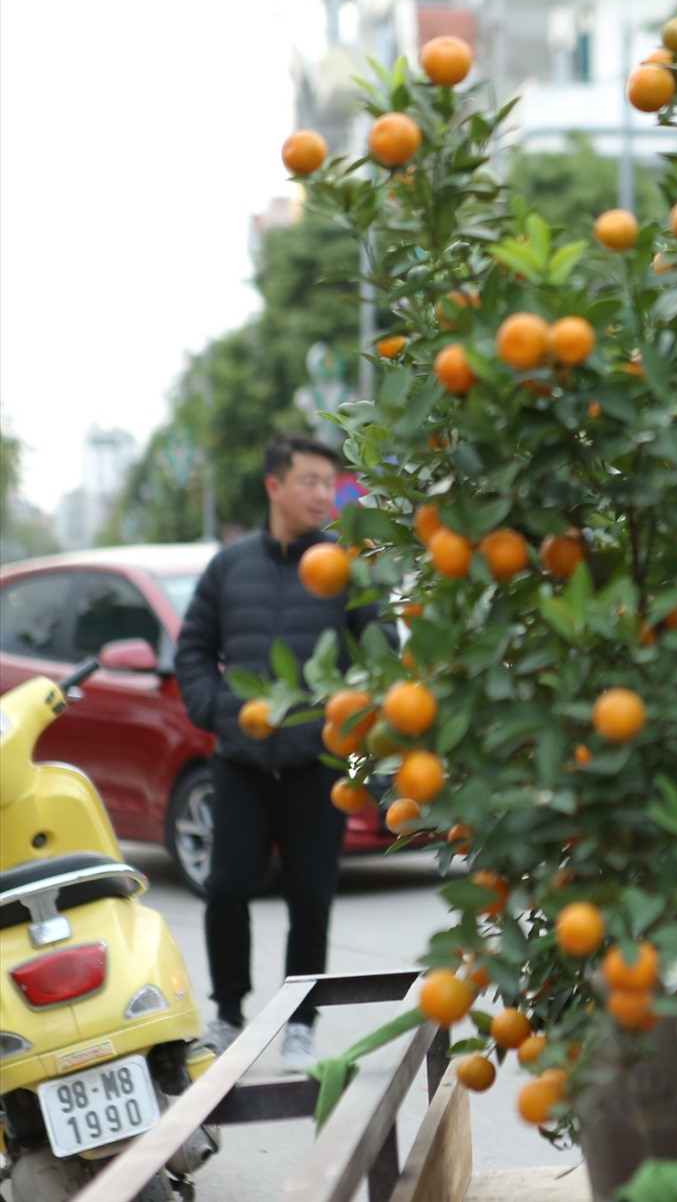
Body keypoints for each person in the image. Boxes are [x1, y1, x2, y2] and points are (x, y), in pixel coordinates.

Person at [176, 434, 384, 1071]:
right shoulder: (227, 567)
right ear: (275, 486)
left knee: (310, 897)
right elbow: (191, 653)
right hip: (239, 763)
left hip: (315, 765)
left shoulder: (347, 568)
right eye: (312, 482)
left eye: (331, 483)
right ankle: (229, 1014)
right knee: (227, 889)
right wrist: (223, 714)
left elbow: (381, 658)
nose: (324, 494)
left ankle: (300, 1023)